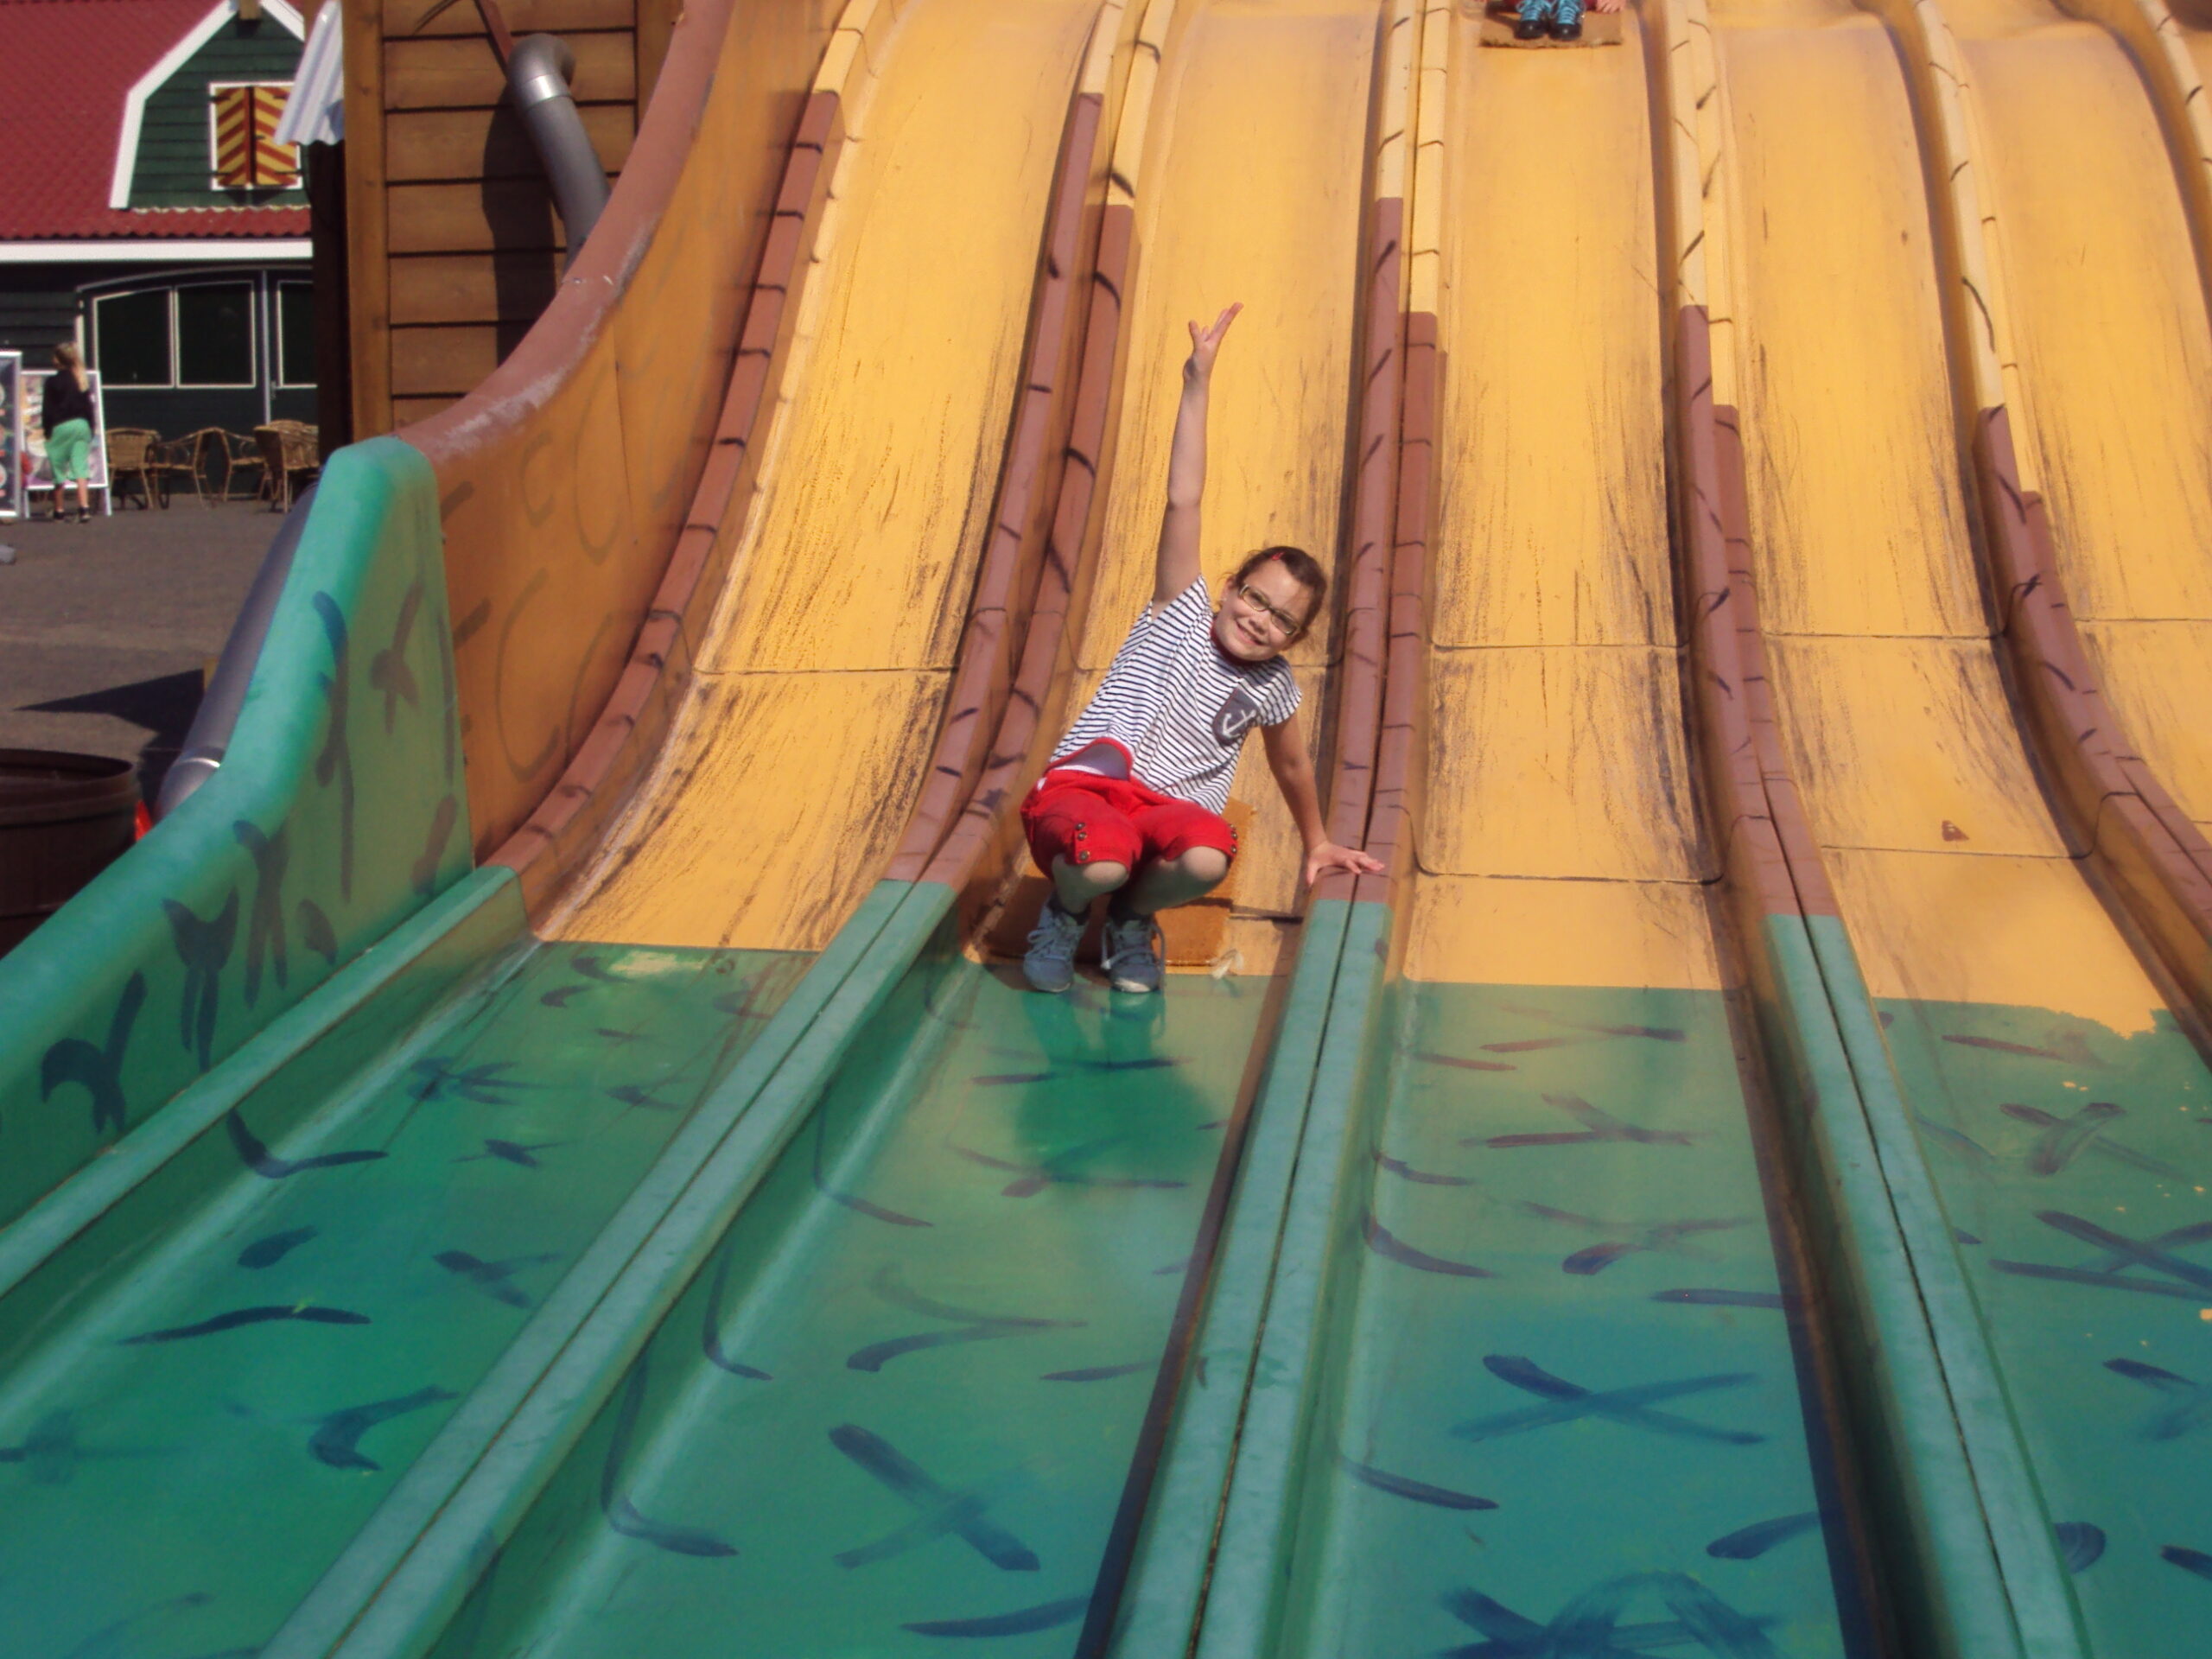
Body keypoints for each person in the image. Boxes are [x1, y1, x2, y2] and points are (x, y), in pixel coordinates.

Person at [1021, 304, 1384, 995]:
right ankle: (1067, 914)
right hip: (1090, 791)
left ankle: (1130, 920)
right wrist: (1198, 381)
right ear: (1227, 588)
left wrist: (1317, 841)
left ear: (1295, 639)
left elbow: (1292, 764)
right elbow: (1183, 498)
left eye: (1281, 619)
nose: (1260, 620)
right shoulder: (1181, 607)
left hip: (1165, 813)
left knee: (1210, 853)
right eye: (1254, 598)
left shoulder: (1273, 686)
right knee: (1102, 857)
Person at [41, 343, 94, 524]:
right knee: (81, 468)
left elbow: (48, 410)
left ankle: (59, 510)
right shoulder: (81, 379)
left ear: (58, 360)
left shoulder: (52, 382)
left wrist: (47, 431)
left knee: (58, 469)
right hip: (82, 424)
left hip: (61, 425)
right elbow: (88, 407)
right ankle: (84, 508)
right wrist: (91, 428)